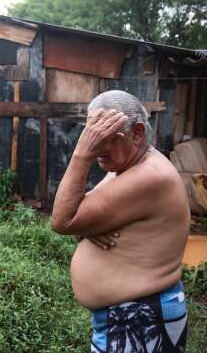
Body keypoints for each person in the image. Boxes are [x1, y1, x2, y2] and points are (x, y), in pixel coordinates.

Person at [51, 90, 190, 353]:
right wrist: (85, 226)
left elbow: (63, 219)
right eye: (93, 134)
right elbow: (78, 213)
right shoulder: (124, 167)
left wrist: (81, 153)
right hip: (130, 317)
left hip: (142, 318)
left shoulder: (150, 176)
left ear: (137, 133)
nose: (97, 147)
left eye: (106, 137)